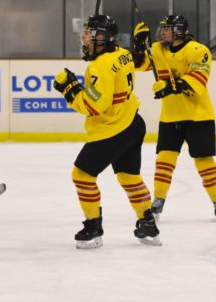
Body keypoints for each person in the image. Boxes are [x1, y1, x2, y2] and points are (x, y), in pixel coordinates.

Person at [53, 14, 160, 249]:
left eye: (89, 34)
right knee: (129, 177)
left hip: (112, 130)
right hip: (133, 123)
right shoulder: (122, 53)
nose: (85, 38)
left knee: (82, 175)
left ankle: (93, 228)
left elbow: (93, 106)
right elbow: (142, 63)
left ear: (101, 38)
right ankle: (148, 224)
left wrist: (69, 89)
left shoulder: (99, 67)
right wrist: (140, 46)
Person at [133, 15, 216, 219]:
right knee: (164, 159)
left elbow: (197, 80)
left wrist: (168, 86)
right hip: (170, 116)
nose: (163, 32)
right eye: (163, 28)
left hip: (198, 116)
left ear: (180, 31)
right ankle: (158, 199)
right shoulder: (158, 49)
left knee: (204, 161)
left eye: (168, 28)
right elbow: (139, 65)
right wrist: (139, 46)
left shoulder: (199, 51)